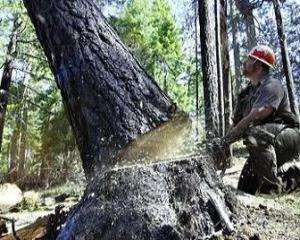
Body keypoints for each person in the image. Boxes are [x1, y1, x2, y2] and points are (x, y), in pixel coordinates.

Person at [214, 45, 300, 194]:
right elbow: (235, 123)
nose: (244, 62)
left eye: (249, 59)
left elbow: (252, 118)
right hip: (265, 140)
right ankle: (275, 184)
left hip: (289, 137)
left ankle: (282, 182)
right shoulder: (245, 94)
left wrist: (226, 141)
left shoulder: (272, 86)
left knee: (253, 133)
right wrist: (224, 146)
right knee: (245, 188)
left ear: (258, 65)